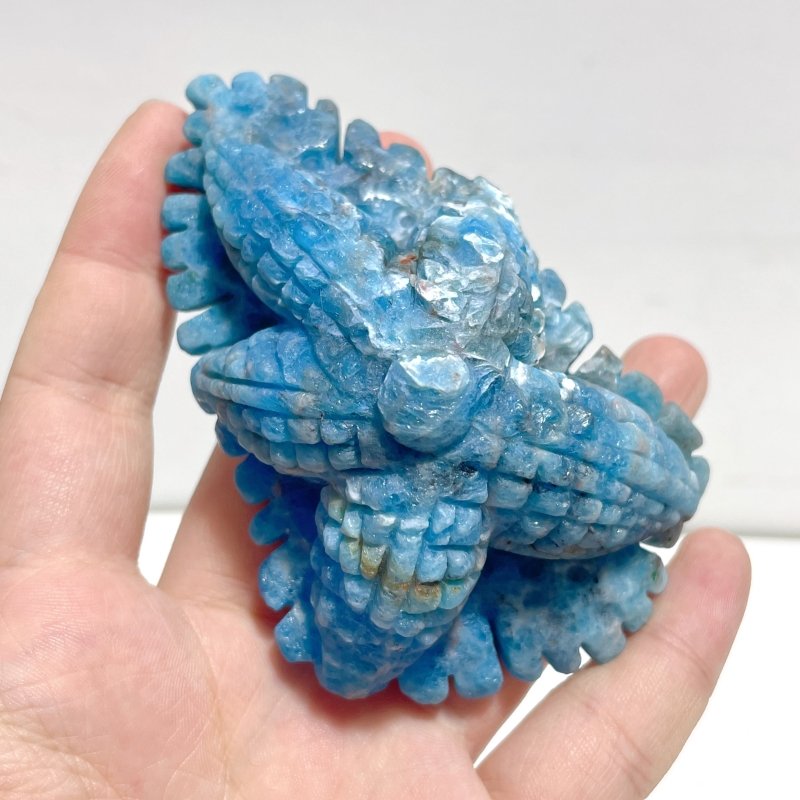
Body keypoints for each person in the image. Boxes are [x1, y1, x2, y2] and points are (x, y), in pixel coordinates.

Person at [0, 102, 750, 799]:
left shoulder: (401, 342)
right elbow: (278, 239)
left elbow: (273, 257)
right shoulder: (422, 329)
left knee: (657, 494)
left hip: (462, 477)